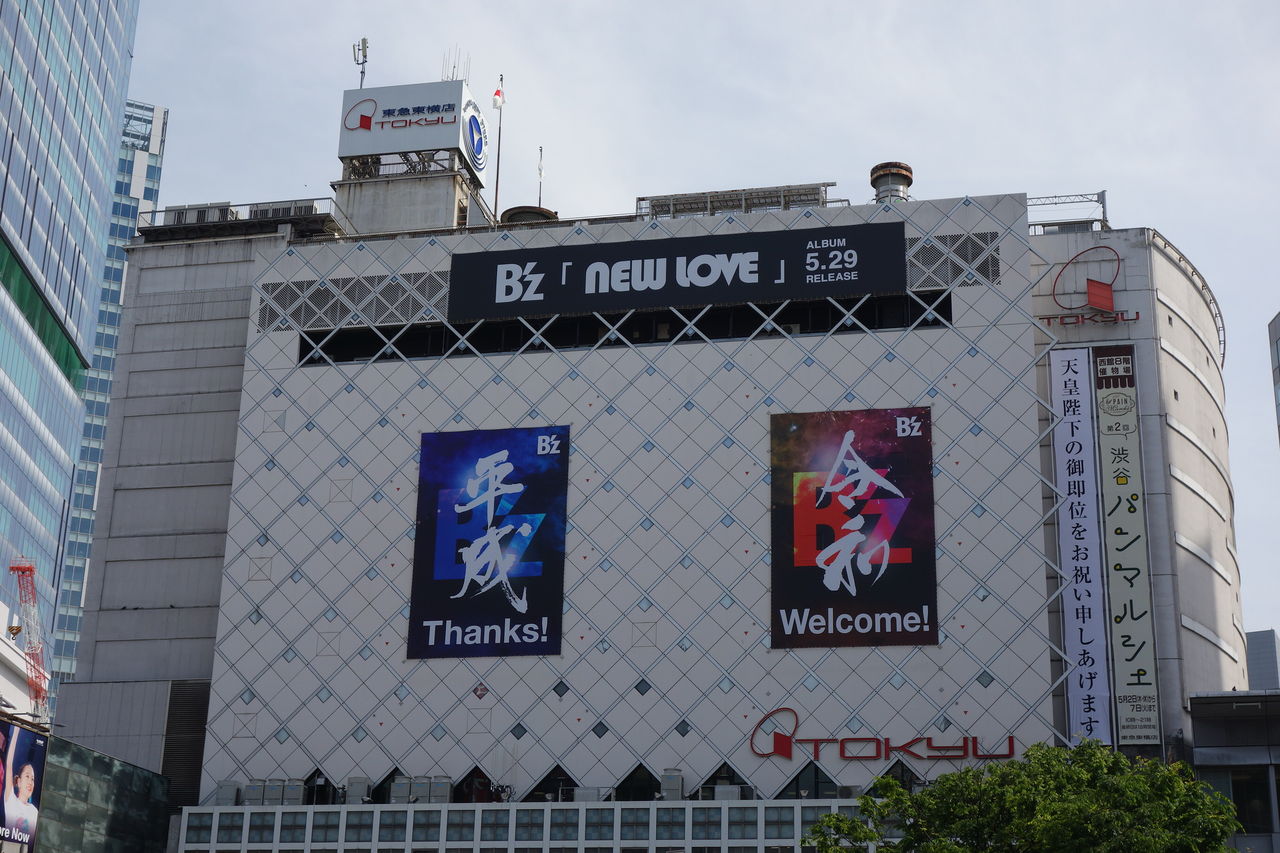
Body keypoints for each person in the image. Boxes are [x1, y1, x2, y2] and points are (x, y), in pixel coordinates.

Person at [3, 728, 36, 840]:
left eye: (32, 779)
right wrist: (16, 730)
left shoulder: (35, 812)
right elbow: (9, 765)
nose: (30, 782)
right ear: (19, 781)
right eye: (27, 776)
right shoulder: (11, 800)